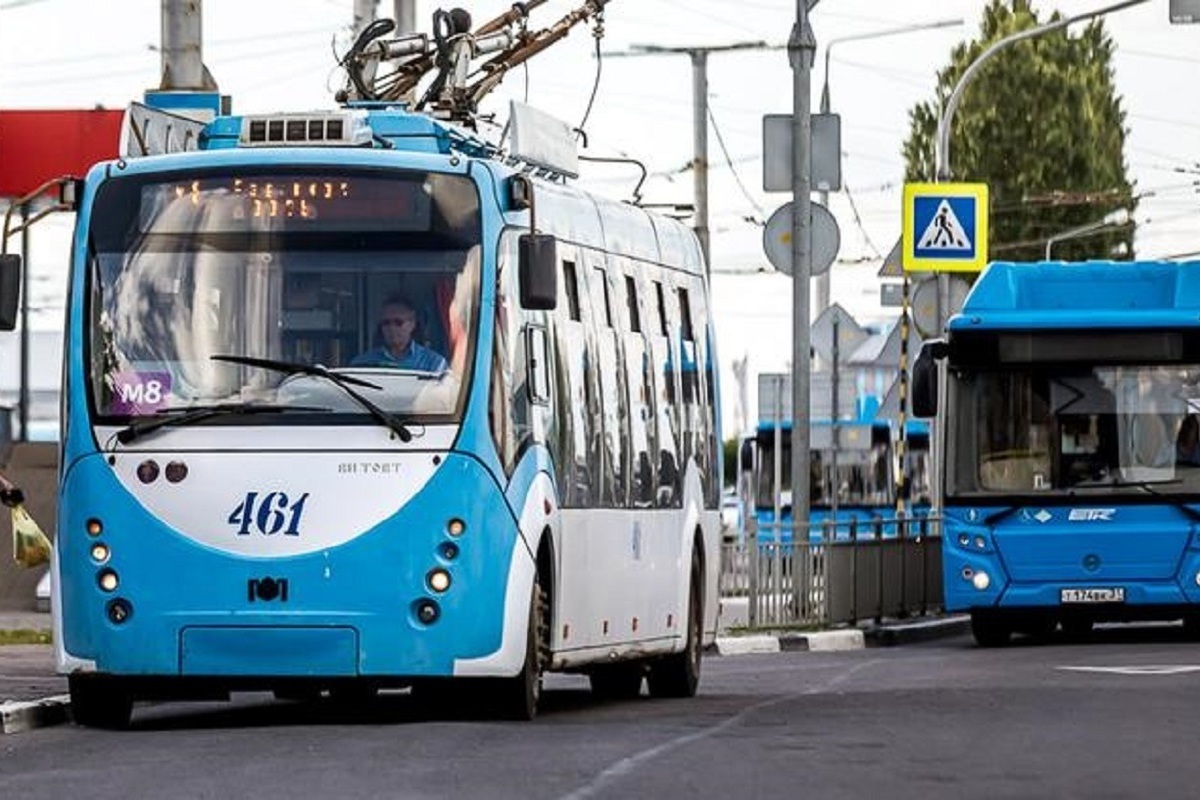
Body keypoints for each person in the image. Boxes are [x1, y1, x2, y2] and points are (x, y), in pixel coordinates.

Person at [351, 293, 448, 372]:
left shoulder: (434, 364)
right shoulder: (362, 364)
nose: (392, 328)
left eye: (398, 322)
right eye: (386, 323)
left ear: (412, 324)